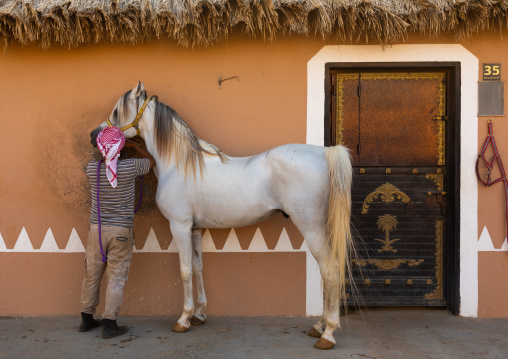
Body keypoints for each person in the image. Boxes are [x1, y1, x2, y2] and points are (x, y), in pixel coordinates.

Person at [79, 126, 155, 339]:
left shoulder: (91, 169)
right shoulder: (131, 167)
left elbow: (103, 157)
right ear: (120, 147)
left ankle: (86, 319)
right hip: (121, 230)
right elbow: (151, 161)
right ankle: (110, 324)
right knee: (116, 278)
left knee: (92, 274)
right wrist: (133, 145)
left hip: (97, 229)